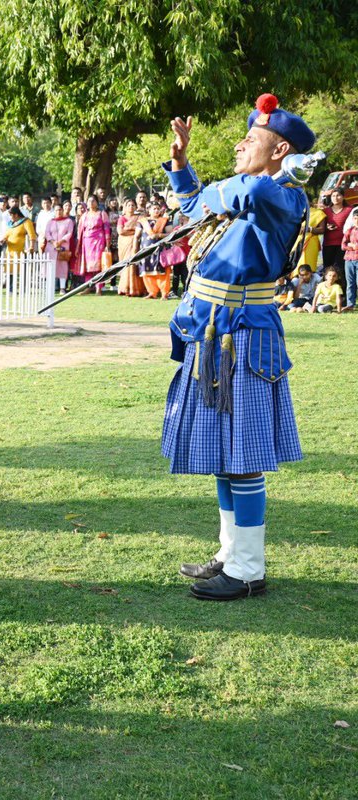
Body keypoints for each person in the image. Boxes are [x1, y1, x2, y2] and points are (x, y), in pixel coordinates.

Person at [164, 94, 311, 601]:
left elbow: (243, 192)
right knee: (226, 456)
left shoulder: (283, 196)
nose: (239, 144)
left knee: (243, 456)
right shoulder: (251, 189)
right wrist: (183, 167)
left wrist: (217, 189)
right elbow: (195, 206)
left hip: (244, 335)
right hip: (211, 330)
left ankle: (249, 570)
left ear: (281, 149)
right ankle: (231, 555)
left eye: (251, 139)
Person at [75, 195, 111, 292]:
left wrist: (107, 244)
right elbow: (80, 231)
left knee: (98, 264)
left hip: (99, 241)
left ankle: (98, 288)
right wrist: (78, 246)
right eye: (89, 201)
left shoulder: (102, 214)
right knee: (88, 266)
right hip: (87, 242)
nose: (91, 203)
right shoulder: (84, 216)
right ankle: (88, 287)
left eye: (93, 201)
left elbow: (107, 229)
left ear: (97, 202)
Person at [137, 200, 171, 299]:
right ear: (149, 210)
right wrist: (135, 250)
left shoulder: (165, 220)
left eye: (158, 209)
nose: (156, 210)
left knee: (162, 272)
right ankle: (152, 292)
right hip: (145, 249)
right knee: (146, 271)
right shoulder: (142, 221)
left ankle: (164, 293)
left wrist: (159, 235)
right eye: (154, 209)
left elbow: (170, 234)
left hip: (161, 249)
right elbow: (137, 236)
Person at [44, 200, 76, 292]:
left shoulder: (69, 221)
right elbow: (47, 233)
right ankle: (50, 287)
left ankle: (62, 288)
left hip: (63, 247)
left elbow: (69, 233)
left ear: (63, 211)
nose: (59, 212)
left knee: (63, 267)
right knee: (51, 267)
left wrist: (61, 241)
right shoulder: (50, 221)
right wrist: (53, 242)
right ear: (54, 211)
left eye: (60, 210)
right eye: (57, 210)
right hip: (51, 247)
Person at [321, 189, 351, 274]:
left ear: (343, 197)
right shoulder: (325, 211)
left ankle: (341, 286)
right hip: (328, 244)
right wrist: (326, 227)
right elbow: (321, 227)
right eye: (333, 196)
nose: (336, 198)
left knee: (340, 268)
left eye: (338, 195)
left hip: (343, 244)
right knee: (327, 268)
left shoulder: (349, 210)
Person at [342, 211, 358, 310]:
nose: (357, 220)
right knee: (350, 282)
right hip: (349, 259)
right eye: (355, 218)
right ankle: (350, 304)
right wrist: (352, 246)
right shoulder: (350, 230)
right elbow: (343, 245)